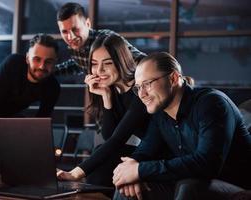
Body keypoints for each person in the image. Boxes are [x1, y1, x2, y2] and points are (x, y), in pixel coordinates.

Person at [112, 52, 251, 200]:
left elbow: (207, 164)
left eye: (147, 84)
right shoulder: (161, 114)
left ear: (173, 78)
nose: (142, 94)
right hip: (192, 183)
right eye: (138, 87)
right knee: (127, 188)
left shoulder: (212, 104)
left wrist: (139, 170)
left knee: (190, 186)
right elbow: (145, 150)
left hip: (239, 187)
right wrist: (132, 166)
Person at [57, 34, 149, 189]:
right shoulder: (113, 88)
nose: (99, 71)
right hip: (144, 150)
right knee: (102, 154)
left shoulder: (139, 88)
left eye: (107, 63)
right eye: (94, 64)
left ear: (122, 61)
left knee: (103, 163)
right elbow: (109, 135)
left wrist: (76, 173)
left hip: (162, 151)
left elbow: (117, 139)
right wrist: (106, 96)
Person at [0, 34, 61, 173]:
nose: (42, 66)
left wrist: (16, 142)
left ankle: (5, 194)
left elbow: (41, 120)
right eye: (37, 59)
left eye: (48, 61)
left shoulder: (53, 87)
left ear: (55, 62)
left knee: (12, 160)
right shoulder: (12, 64)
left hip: (11, 118)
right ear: (27, 58)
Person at [55, 2, 146, 74]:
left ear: (87, 24)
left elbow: (142, 60)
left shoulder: (106, 38)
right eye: (64, 32)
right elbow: (78, 64)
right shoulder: (75, 46)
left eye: (75, 29)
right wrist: (49, 71)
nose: (71, 37)